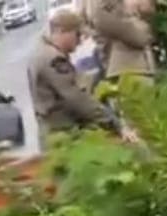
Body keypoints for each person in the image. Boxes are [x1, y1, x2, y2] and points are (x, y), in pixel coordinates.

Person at [27, 10, 138, 145]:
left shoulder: (41, 53)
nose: (80, 41)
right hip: (62, 134)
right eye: (77, 34)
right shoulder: (53, 59)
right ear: (62, 31)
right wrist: (114, 124)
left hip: (52, 133)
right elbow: (77, 99)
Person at [93, 0, 159, 88]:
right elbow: (100, 20)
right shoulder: (110, 8)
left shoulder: (141, 20)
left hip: (143, 68)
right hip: (125, 68)